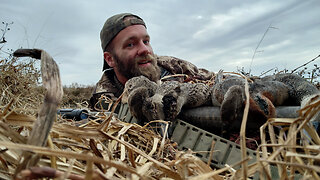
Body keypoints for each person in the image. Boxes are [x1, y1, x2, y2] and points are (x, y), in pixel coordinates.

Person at [89, 13, 214, 109]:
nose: (145, 50)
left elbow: (214, 80)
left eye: (146, 41)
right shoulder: (103, 102)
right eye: (130, 44)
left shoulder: (173, 66)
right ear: (110, 59)